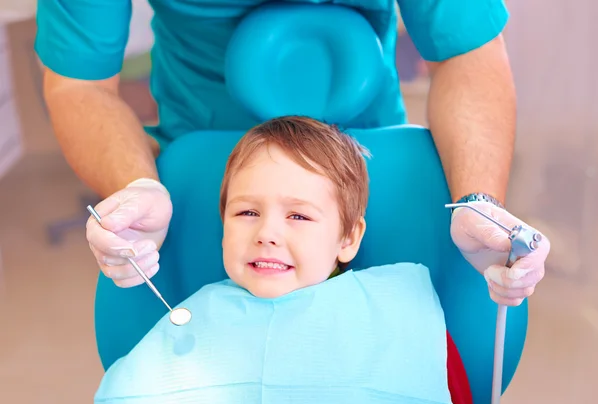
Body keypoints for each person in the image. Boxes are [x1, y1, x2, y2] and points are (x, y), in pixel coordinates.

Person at [35, 0, 550, 306]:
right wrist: (135, 184)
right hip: (201, 172)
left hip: (372, 163)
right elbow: (80, 85)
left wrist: (476, 197)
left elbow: (465, 50)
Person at [95, 115, 477, 404]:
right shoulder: (189, 327)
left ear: (349, 238)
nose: (267, 234)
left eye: (299, 216)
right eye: (246, 213)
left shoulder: (404, 323)